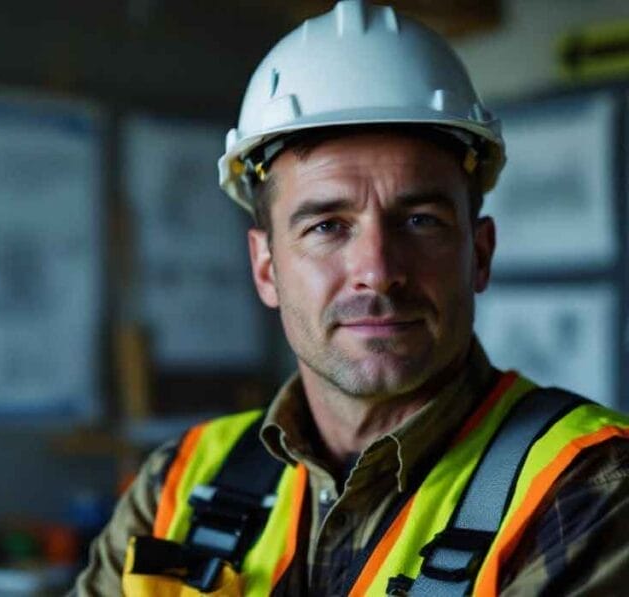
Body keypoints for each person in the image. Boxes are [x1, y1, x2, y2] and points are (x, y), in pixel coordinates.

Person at [72, 1, 629, 595]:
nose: (379, 272)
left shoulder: (587, 489)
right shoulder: (174, 489)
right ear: (265, 267)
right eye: (327, 226)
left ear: (480, 254)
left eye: (419, 221)